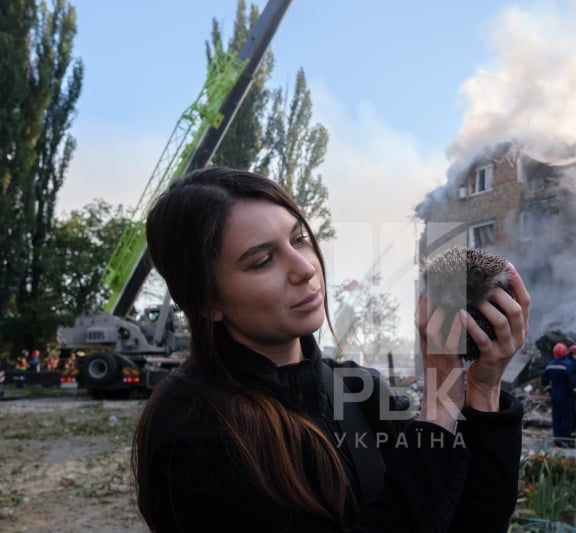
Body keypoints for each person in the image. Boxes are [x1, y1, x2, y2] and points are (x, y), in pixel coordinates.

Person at [131, 167, 531, 532]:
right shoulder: (191, 428)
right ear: (206, 301)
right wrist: (439, 407)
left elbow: (469, 524)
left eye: (299, 239)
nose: (305, 268)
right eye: (263, 260)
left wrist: (484, 391)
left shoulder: (359, 392)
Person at [541, 342, 576, 447]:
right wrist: (575, 393)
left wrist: (550, 390)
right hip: (566, 396)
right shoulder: (569, 365)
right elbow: (572, 381)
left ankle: (557, 440)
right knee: (567, 418)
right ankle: (566, 440)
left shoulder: (550, 365)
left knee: (556, 418)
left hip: (555, 395)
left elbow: (544, 380)